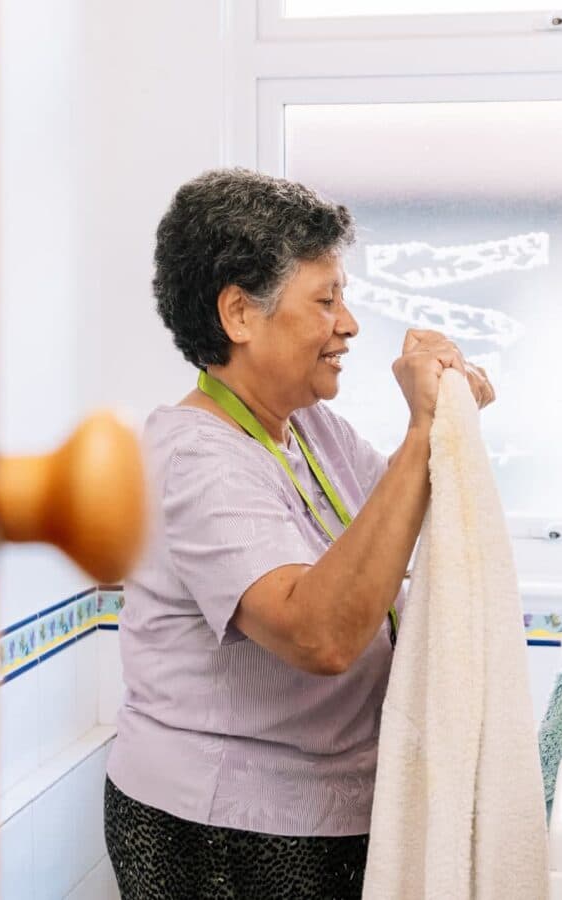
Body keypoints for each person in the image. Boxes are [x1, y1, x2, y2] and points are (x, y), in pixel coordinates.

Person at [104, 168, 495, 899]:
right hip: (224, 836)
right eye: (326, 300)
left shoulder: (310, 428)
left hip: (321, 813)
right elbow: (321, 635)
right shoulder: (193, 458)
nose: (348, 324)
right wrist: (420, 433)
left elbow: (404, 516)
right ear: (239, 315)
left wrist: (452, 422)